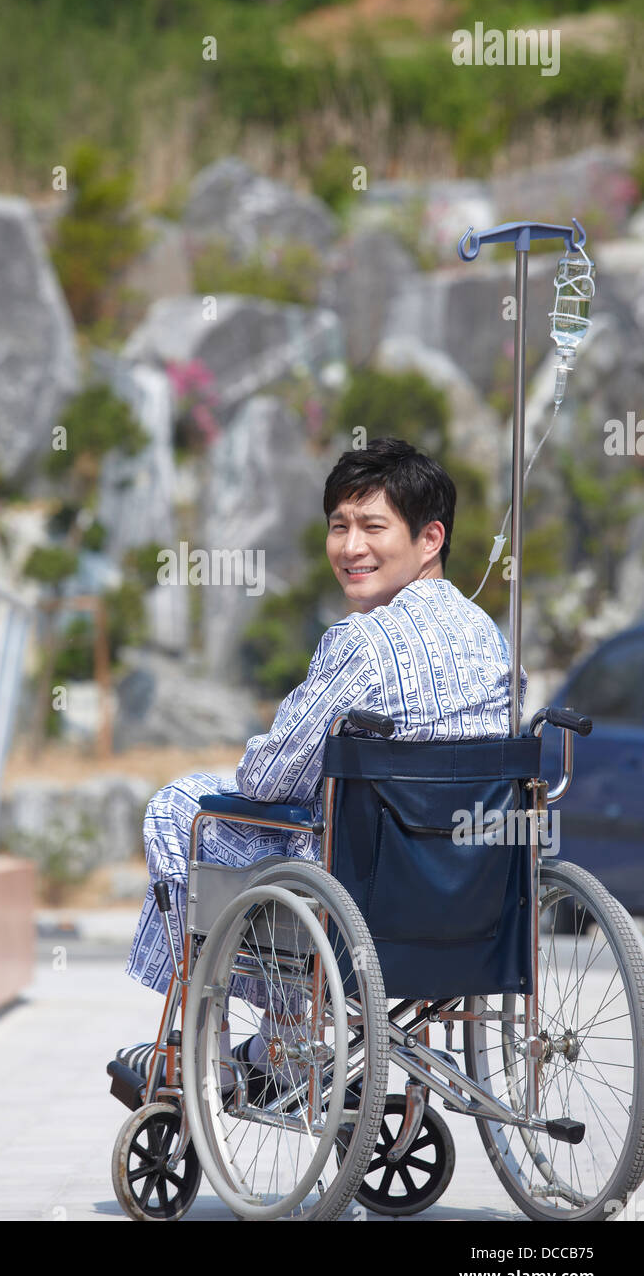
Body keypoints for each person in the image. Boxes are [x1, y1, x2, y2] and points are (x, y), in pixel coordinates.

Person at [120, 437, 526, 1075]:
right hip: (468, 890)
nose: (350, 547)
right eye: (339, 526)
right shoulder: (493, 638)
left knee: (180, 807)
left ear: (429, 539)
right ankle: (279, 1039)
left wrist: (257, 752)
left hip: (364, 889)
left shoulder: (362, 642)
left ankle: (212, 1049)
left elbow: (269, 776)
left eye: (372, 526)